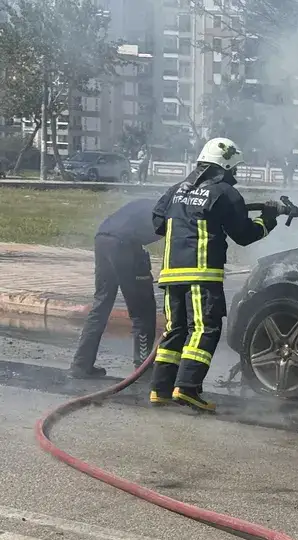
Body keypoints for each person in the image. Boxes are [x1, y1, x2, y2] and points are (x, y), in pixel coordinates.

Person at [149, 137, 278, 413]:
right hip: (201, 274)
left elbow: (158, 223)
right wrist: (267, 221)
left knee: (175, 330)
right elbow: (244, 235)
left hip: (171, 275)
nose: (235, 175)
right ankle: (187, 388)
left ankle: (160, 390)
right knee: (204, 329)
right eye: (234, 169)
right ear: (226, 165)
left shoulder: (175, 190)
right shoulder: (224, 193)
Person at [68, 199, 160, 378]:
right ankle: (142, 367)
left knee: (101, 303)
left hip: (102, 239)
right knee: (142, 310)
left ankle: (80, 364)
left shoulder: (144, 203)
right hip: (124, 244)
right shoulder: (169, 209)